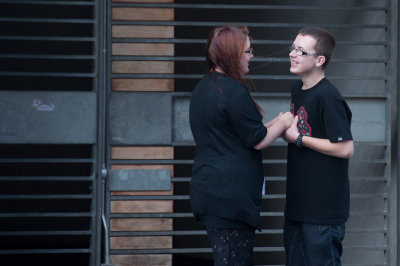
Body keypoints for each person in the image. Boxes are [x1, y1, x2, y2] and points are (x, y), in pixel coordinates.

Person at [189, 25, 294, 266]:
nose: (251, 56)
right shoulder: (233, 92)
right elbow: (258, 140)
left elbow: (243, 133)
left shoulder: (203, 88)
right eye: (247, 51)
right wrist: (286, 120)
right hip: (229, 200)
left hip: (211, 192)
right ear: (232, 54)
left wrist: (276, 122)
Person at [282, 26, 354, 266]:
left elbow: (345, 148)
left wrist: (299, 138)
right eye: (292, 47)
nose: (292, 54)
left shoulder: (328, 96)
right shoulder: (297, 89)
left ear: (319, 60)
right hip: (298, 205)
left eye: (300, 51)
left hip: (323, 211)